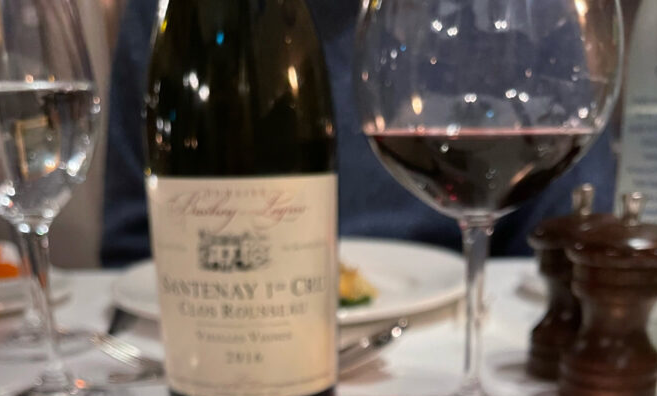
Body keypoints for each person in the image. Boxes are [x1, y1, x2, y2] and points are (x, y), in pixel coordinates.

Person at [100, 0, 617, 268]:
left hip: (469, 335)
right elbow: (130, 243)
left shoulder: (529, 15)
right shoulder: (173, 15)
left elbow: (568, 234)